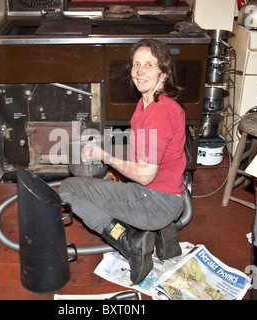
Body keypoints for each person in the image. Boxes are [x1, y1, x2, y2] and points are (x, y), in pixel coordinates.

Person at [59, 38, 187, 284]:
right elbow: (145, 152)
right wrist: (111, 159)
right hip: (168, 194)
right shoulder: (150, 103)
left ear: (164, 72)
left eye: (148, 65)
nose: (139, 71)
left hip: (154, 201)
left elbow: (146, 175)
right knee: (110, 180)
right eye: (136, 64)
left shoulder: (159, 113)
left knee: (68, 189)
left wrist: (104, 157)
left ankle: (130, 242)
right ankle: (165, 236)